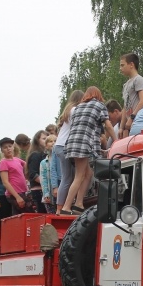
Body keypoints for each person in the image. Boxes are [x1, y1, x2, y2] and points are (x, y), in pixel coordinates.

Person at [61, 87, 113, 215]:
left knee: (88, 174)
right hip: (82, 143)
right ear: (98, 95)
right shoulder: (99, 105)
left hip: (73, 142)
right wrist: (117, 140)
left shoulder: (79, 107)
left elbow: (87, 128)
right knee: (79, 175)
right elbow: (108, 125)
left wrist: (99, 149)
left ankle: (79, 204)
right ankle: (66, 207)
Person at [54, 89, 84, 214]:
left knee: (68, 177)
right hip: (65, 147)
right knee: (68, 178)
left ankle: (62, 206)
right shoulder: (74, 110)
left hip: (60, 146)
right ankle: (60, 208)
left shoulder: (68, 110)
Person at [0, 137, 33, 215]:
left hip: (24, 191)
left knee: (18, 215)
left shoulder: (17, 160)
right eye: (5, 147)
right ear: (2, 150)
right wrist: (17, 197)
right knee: (29, 212)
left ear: (13, 147)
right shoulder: (3, 162)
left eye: (10, 146)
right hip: (15, 194)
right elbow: (5, 182)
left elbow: (29, 165)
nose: (8, 149)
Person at [119, 52, 143, 138]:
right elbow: (125, 106)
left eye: (122, 65)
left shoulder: (138, 80)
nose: (120, 68)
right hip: (129, 124)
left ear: (131, 64)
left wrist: (132, 117)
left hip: (139, 121)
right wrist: (121, 127)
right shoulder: (126, 84)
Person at [26, 130, 49, 214]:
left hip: (44, 190)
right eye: (44, 138)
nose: (46, 140)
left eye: (47, 138)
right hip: (39, 191)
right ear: (37, 141)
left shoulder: (46, 154)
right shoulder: (35, 155)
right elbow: (32, 173)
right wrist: (46, 184)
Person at [40, 134, 60, 214]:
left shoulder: (61, 159)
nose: (53, 143)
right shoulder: (44, 163)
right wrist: (46, 193)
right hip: (49, 196)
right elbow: (43, 179)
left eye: (55, 141)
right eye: (50, 141)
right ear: (46, 146)